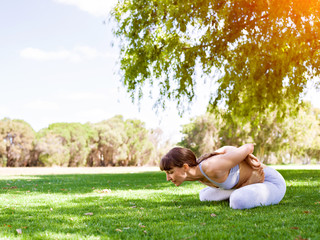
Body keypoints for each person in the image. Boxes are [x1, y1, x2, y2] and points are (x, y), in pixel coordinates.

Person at [160, 144, 286, 209]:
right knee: (204, 195)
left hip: (270, 182)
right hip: (252, 183)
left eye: (170, 172)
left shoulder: (211, 167)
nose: (168, 178)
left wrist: (247, 156)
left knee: (238, 201)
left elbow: (249, 147)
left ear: (185, 167)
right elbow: (225, 149)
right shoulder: (197, 172)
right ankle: (245, 187)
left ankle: (244, 189)